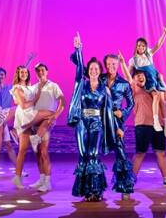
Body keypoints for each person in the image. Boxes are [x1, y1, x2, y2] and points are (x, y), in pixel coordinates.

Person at [68, 33, 119, 201]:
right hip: (82, 123)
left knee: (93, 154)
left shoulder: (105, 89)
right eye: (91, 69)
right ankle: (85, 191)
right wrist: (78, 49)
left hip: (97, 123)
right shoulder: (81, 84)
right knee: (83, 155)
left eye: (96, 69)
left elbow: (109, 112)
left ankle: (95, 191)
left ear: (100, 71)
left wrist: (116, 129)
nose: (93, 71)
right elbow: (78, 67)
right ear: (88, 71)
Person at [119, 50, 166, 189]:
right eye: (137, 75)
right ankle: (131, 180)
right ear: (134, 79)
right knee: (140, 153)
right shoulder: (134, 88)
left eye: (142, 75)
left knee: (161, 153)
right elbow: (127, 76)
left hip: (159, 125)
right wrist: (122, 63)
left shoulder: (153, 88)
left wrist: (161, 80)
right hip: (142, 125)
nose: (140, 77)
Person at [100, 53, 135, 200]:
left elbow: (131, 103)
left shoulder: (124, 83)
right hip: (100, 119)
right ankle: (95, 188)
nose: (111, 67)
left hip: (116, 120)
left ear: (118, 64)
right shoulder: (100, 78)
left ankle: (125, 186)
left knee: (120, 152)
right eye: (108, 64)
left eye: (114, 64)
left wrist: (123, 112)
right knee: (94, 152)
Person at [127, 24, 166, 136]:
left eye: (143, 46)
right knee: (156, 96)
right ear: (136, 46)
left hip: (155, 78)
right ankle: (156, 121)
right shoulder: (133, 60)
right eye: (139, 45)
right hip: (147, 81)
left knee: (162, 100)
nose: (141, 48)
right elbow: (127, 73)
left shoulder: (148, 54)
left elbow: (158, 45)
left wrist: (165, 33)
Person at [27, 62, 65, 192]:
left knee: (43, 151)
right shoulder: (33, 87)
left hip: (46, 122)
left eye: (42, 70)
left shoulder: (53, 86)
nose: (40, 72)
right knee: (37, 153)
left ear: (47, 71)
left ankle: (48, 182)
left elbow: (62, 101)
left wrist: (55, 115)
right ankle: (41, 179)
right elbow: (29, 104)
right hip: (35, 122)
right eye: (38, 70)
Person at [11, 64, 41, 189]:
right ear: (18, 74)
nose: (24, 74)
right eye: (22, 72)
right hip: (24, 117)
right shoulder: (17, 88)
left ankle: (42, 178)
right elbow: (23, 105)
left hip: (32, 115)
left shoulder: (28, 87)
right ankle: (17, 177)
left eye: (26, 72)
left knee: (37, 148)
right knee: (23, 149)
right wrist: (36, 99)